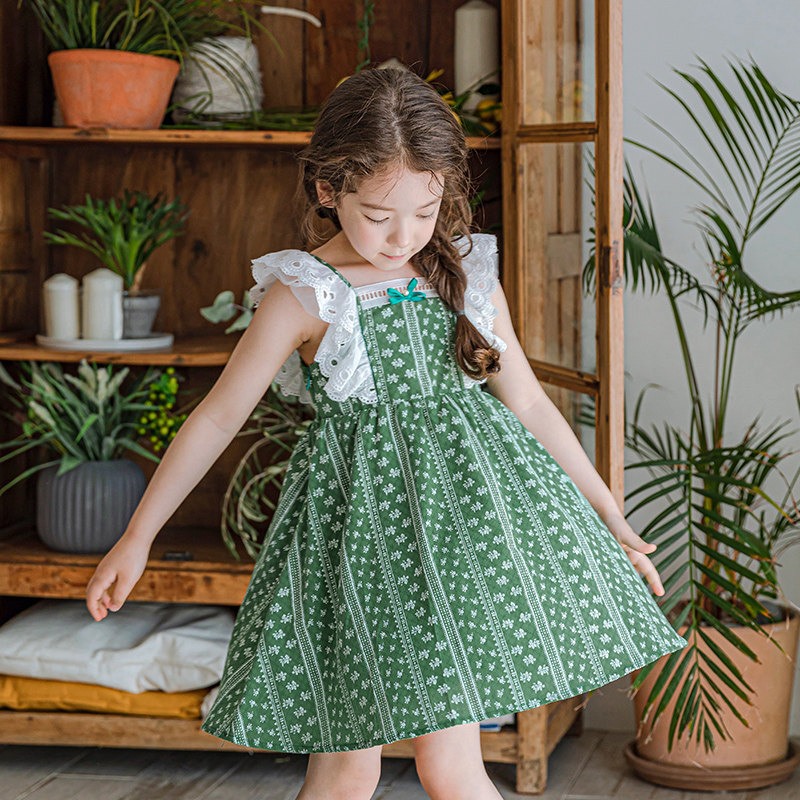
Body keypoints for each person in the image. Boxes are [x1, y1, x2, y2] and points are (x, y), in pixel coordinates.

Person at [85, 67, 687, 800]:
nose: (403, 238)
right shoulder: (305, 293)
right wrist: (138, 536)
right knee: (347, 770)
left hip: (463, 538)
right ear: (327, 190)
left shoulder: (466, 273)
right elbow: (216, 417)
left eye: (425, 213)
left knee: (451, 766)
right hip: (356, 543)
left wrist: (607, 511)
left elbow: (529, 403)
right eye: (378, 216)